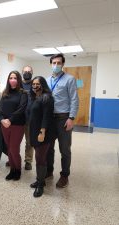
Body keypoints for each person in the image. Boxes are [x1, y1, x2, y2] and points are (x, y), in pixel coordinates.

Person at [46, 53, 79, 188]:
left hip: (63, 118)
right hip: (49, 118)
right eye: (54, 63)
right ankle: (49, 171)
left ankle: (64, 175)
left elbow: (74, 100)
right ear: (50, 64)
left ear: (63, 64)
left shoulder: (70, 79)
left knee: (64, 149)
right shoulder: (47, 80)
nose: (56, 65)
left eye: (59, 63)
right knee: (49, 148)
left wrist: (71, 118)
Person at [0, 71, 27, 181]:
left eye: (15, 78)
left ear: (18, 79)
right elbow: (0, 109)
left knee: (14, 149)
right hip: (4, 125)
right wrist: (2, 120)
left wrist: (10, 120)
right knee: (9, 149)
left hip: (17, 125)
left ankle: (18, 170)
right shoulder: (5, 93)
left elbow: (21, 108)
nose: (13, 80)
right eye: (11, 77)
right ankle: (12, 170)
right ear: (8, 80)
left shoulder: (23, 93)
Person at [28, 76, 54, 197]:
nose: (35, 86)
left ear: (43, 85)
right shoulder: (34, 97)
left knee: (40, 158)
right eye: (33, 84)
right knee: (39, 157)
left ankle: (40, 184)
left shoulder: (47, 98)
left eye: (38, 84)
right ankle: (40, 180)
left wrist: (42, 132)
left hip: (43, 133)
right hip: (34, 131)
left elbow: (46, 116)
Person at [21, 65, 34, 170]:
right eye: (25, 71)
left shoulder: (35, 84)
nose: (27, 73)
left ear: (32, 72)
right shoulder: (18, 84)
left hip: (30, 119)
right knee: (14, 141)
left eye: (29, 71)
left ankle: (28, 161)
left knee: (29, 142)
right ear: (22, 72)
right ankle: (12, 158)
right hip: (18, 118)